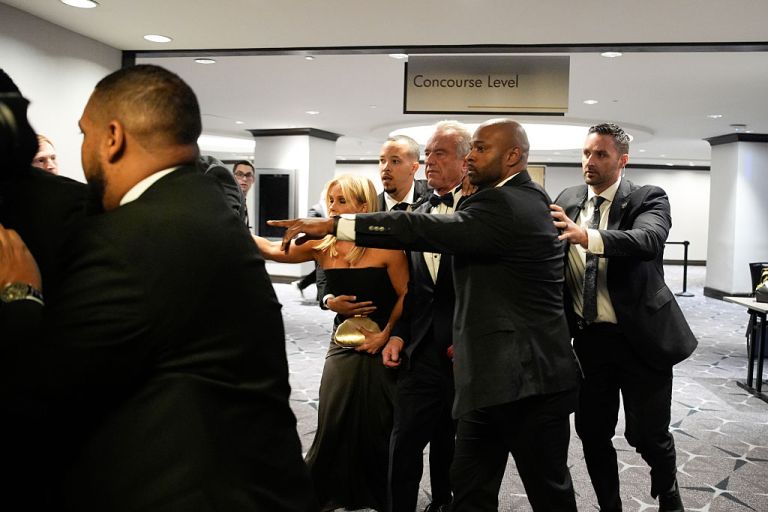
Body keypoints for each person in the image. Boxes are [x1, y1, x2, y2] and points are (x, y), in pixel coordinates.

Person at [0, 64, 315, 511]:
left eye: (85, 135)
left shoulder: (128, 240)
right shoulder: (200, 203)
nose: (83, 151)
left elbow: (41, 394)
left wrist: (19, 295)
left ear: (113, 137)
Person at [269, 119, 581, 511]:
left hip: (529, 383)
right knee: (468, 490)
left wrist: (336, 225)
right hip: (487, 379)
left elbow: (418, 228)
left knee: (549, 494)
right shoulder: (508, 199)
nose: (471, 157)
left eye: (480, 148)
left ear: (513, 156)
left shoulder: (506, 202)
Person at [550, 122, 697, 512]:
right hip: (589, 341)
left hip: (641, 339)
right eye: (586, 153)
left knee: (647, 435)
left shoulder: (648, 198)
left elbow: (648, 240)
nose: (590, 161)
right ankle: (610, 505)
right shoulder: (568, 198)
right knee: (592, 432)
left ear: (622, 160)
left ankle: (668, 492)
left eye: (601, 154)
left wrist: (587, 237)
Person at [254, 173, 409, 512]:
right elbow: (272, 250)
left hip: (384, 344)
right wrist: (228, 225)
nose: (333, 208)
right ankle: (326, 492)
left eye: (342, 201)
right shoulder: (323, 245)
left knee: (378, 425)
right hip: (343, 342)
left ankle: (377, 496)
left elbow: (406, 294)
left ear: (363, 207)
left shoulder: (386, 245)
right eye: (330, 201)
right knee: (333, 417)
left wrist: (386, 335)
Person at [382, 121, 472, 512]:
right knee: (402, 444)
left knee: (451, 447)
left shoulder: (481, 214)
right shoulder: (417, 214)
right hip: (418, 353)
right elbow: (416, 290)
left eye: (440, 153)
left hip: (464, 354)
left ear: (465, 162)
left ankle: (443, 504)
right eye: (428, 153)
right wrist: (398, 334)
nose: (430, 160)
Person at [377, 134, 431, 211]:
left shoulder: (434, 199)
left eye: (395, 161)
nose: (385, 168)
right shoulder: (370, 206)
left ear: (413, 168)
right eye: (382, 160)